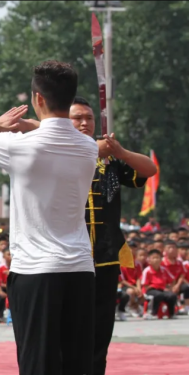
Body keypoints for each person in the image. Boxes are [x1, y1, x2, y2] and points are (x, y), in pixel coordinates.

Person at [0, 60, 98, 374]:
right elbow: (58, 134)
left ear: (38, 99)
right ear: (71, 99)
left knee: (38, 363)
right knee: (78, 363)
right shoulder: (89, 147)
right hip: (81, 269)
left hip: (36, 271)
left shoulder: (22, 147)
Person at [68, 95, 157, 374]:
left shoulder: (110, 161)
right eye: (77, 118)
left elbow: (149, 169)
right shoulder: (59, 153)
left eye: (88, 118)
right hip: (69, 257)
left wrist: (120, 152)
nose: (84, 122)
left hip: (106, 257)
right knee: (69, 327)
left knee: (100, 327)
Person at [141, 249, 177, 319]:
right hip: (150, 290)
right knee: (158, 295)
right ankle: (153, 313)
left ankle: (171, 313)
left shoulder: (164, 269)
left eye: (158, 258)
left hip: (162, 290)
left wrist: (170, 288)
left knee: (172, 295)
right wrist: (155, 287)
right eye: (154, 258)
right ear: (149, 260)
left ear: (161, 260)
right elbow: (145, 285)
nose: (156, 260)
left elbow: (172, 280)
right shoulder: (147, 271)